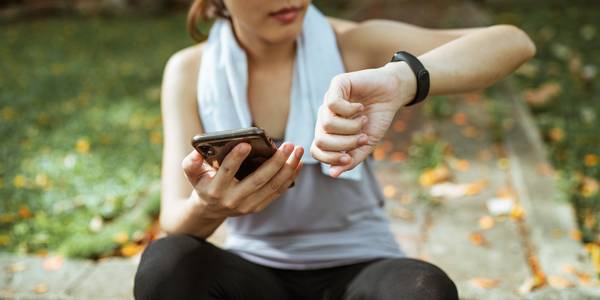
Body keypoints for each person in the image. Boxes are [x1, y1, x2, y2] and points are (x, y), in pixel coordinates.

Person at [134, 0, 535, 299]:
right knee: (166, 264)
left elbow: (512, 42)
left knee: (423, 291)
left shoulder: (354, 45)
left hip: (361, 269)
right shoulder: (189, 71)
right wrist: (212, 206)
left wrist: (403, 78)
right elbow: (175, 220)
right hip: (254, 273)